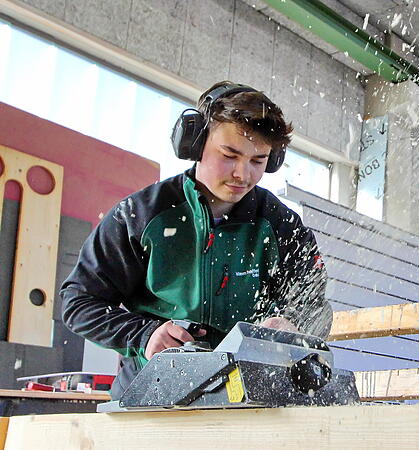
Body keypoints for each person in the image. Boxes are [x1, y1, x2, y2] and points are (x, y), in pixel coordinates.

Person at [61, 81, 331, 399]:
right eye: (229, 155)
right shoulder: (141, 215)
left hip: (249, 395)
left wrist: (293, 325)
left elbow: (315, 305)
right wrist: (145, 334)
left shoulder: (281, 225)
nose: (242, 175)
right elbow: (78, 302)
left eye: (258, 161)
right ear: (196, 143)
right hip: (150, 393)